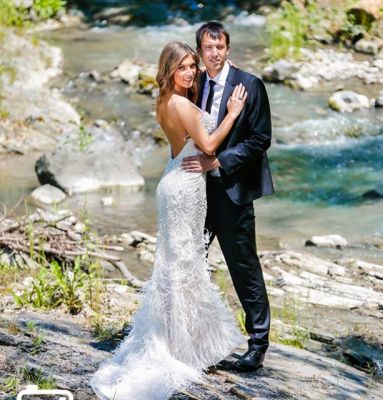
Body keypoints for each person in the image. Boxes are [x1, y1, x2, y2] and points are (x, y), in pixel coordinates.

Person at [89, 41, 247, 400]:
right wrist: (233, 113)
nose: (189, 73)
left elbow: (189, 125)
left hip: (173, 178)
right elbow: (209, 146)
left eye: (193, 66)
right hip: (185, 186)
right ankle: (180, 346)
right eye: (182, 68)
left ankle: (180, 339)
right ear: (169, 71)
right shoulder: (181, 104)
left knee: (176, 264)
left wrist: (219, 68)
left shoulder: (164, 100)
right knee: (184, 265)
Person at [181, 21, 274, 372]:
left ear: (228, 49)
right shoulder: (194, 82)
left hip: (232, 191)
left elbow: (261, 139)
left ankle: (258, 343)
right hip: (196, 191)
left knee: (244, 267)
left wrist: (219, 160)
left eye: (220, 47)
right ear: (200, 52)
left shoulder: (250, 85)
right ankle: (191, 335)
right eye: (208, 47)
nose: (215, 53)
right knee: (190, 261)